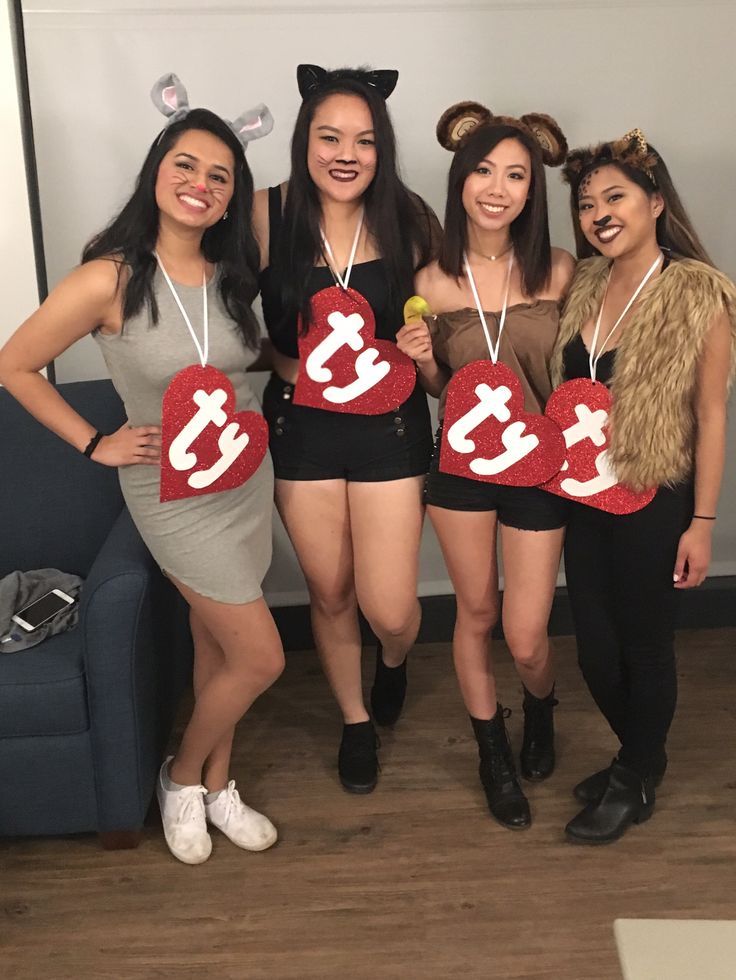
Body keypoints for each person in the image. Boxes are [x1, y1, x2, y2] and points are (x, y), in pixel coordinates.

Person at [0, 74, 284, 865]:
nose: (201, 184)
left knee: (217, 645)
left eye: (220, 176)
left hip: (240, 482)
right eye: (187, 165)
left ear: (232, 199)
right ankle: (182, 775)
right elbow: (15, 365)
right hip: (172, 496)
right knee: (261, 656)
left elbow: (243, 363)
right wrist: (96, 443)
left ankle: (220, 789)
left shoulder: (230, 277)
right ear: (158, 171)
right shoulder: (110, 276)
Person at [253, 64, 438, 793]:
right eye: (329, 136)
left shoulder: (409, 216)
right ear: (304, 141)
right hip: (301, 430)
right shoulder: (267, 215)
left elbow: (440, 330)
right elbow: (229, 322)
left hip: (389, 428)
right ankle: (355, 720)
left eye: (363, 140)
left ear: (381, 149)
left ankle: (393, 659)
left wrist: (426, 359)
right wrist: (279, 360)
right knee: (329, 591)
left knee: (389, 608)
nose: (345, 153)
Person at [553, 129, 736, 844]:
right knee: (595, 647)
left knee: (646, 646)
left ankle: (634, 773)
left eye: (616, 197)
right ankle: (641, 757)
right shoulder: (588, 283)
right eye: (586, 202)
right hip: (583, 492)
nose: (599, 212)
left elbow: (710, 413)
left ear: (655, 202)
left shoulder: (700, 293)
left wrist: (702, 521)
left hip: (653, 495)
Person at [396, 101, 575, 829]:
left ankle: (540, 706)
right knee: (476, 613)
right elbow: (445, 391)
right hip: (464, 471)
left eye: (515, 175)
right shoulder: (432, 279)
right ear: (460, 180)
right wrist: (422, 366)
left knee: (527, 634)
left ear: (532, 191)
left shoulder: (561, 271)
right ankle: (491, 750)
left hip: (538, 467)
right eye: (483, 172)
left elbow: (582, 379)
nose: (497, 188)